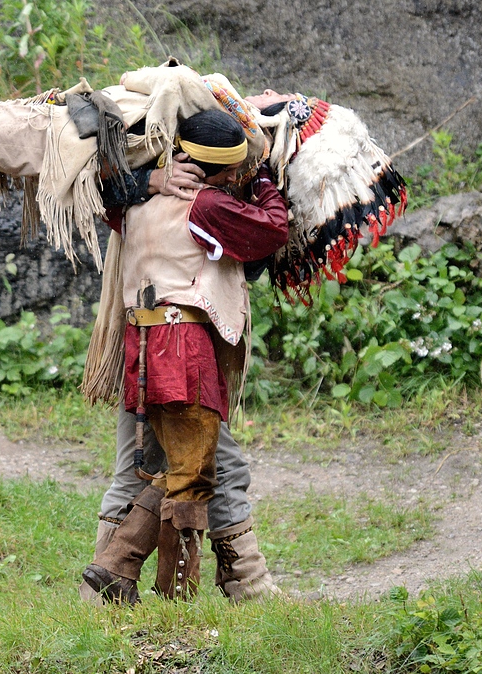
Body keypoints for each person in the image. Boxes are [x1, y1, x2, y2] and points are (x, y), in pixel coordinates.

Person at [81, 109, 289, 601]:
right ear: (219, 172)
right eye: (233, 169)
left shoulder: (136, 201)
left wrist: (147, 176)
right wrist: (264, 181)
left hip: (142, 349)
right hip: (183, 351)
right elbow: (272, 230)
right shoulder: (207, 206)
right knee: (194, 472)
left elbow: (104, 192)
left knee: (142, 470)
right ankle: (167, 584)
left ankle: (110, 585)